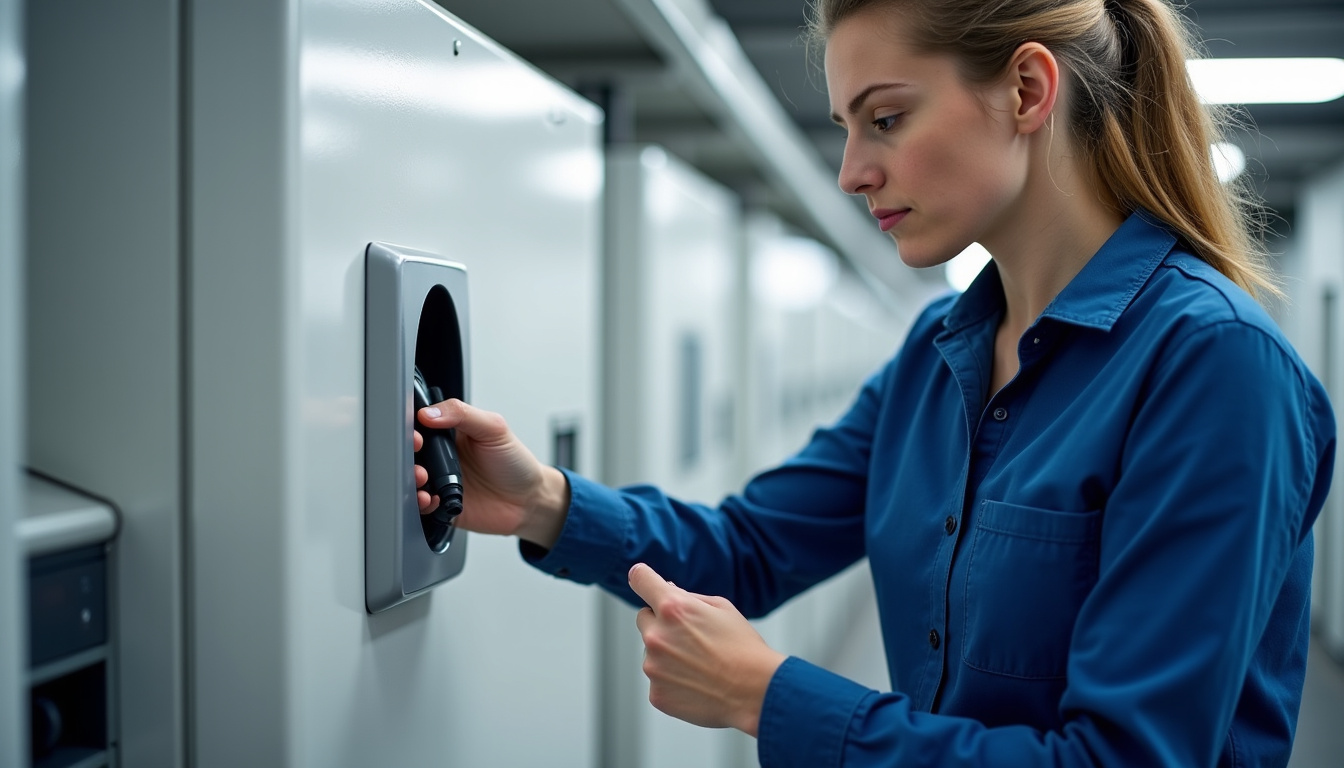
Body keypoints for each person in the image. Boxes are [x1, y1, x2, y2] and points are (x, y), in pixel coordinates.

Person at [413, 0, 1336, 764]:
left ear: (1026, 90)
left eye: (885, 119)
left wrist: (770, 697)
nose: (854, 171)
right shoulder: (938, 353)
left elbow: (1121, 757)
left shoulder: (1213, 368)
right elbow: (749, 547)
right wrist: (542, 502)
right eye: (847, 128)